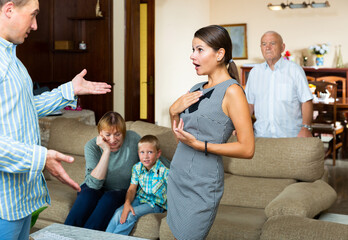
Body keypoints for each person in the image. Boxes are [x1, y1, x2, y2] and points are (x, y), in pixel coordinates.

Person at [0, 0, 111, 239]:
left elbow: (25, 109)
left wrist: (69, 90)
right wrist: (40, 157)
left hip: (20, 201)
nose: (36, 25)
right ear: (9, 10)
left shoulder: (14, 62)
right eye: (33, 15)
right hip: (2, 205)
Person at [167, 25, 255, 240]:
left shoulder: (232, 92)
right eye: (192, 49)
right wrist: (173, 112)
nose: (192, 55)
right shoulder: (196, 88)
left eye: (199, 50)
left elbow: (247, 148)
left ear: (220, 54)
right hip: (178, 176)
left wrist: (200, 145)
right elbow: (179, 134)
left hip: (203, 182)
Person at [64, 111, 141, 231]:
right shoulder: (92, 146)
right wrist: (106, 151)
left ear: (124, 133)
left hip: (120, 191)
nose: (113, 139)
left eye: (117, 134)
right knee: (87, 195)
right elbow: (93, 184)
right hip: (94, 188)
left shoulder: (133, 139)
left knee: (109, 199)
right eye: (108, 134)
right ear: (100, 133)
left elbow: (152, 158)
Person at [245, 31, 313, 138]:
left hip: (290, 136)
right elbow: (249, 104)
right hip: (262, 136)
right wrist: (242, 128)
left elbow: (306, 100)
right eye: (264, 44)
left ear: (282, 47)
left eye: (272, 43)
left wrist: (306, 127)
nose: (267, 47)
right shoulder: (254, 72)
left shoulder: (295, 70)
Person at [106, 135, 169, 235]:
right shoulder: (137, 168)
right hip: (139, 199)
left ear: (158, 154)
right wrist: (127, 203)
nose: (146, 156)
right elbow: (132, 189)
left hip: (155, 204)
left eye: (150, 152)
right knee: (119, 212)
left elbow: (175, 192)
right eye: (142, 152)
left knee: (131, 214)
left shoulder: (164, 172)